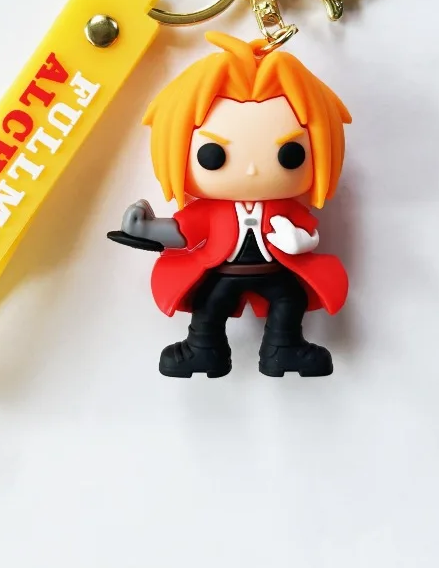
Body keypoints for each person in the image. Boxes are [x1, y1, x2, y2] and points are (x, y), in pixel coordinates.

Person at [115, 32, 351, 377]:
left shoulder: (286, 209)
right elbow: (183, 232)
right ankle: (203, 350)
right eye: (212, 155)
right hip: (223, 273)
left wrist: (300, 241)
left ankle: (283, 349)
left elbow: (309, 234)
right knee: (208, 304)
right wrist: (147, 229)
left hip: (275, 272)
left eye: (290, 154)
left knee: (291, 299)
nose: (252, 170)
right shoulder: (212, 210)